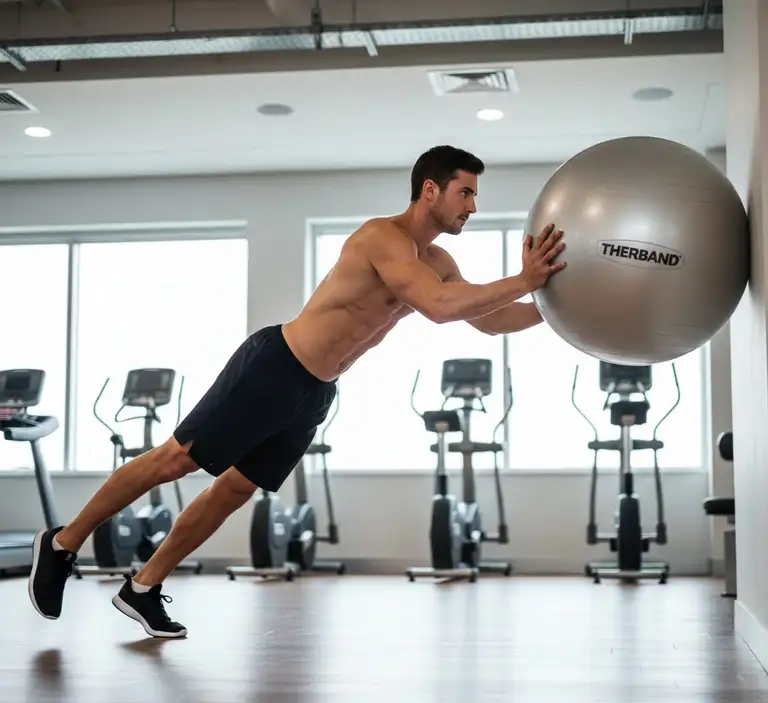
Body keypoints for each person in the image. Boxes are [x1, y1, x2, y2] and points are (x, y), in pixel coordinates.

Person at [27, 145, 566, 639]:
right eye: (465, 192)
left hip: (314, 393)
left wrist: (565, 312)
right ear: (431, 189)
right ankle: (62, 544)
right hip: (276, 366)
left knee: (235, 490)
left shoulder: (440, 263)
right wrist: (527, 278)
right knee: (177, 460)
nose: (472, 206)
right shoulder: (383, 238)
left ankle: (141, 588)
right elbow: (440, 308)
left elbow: (492, 322)